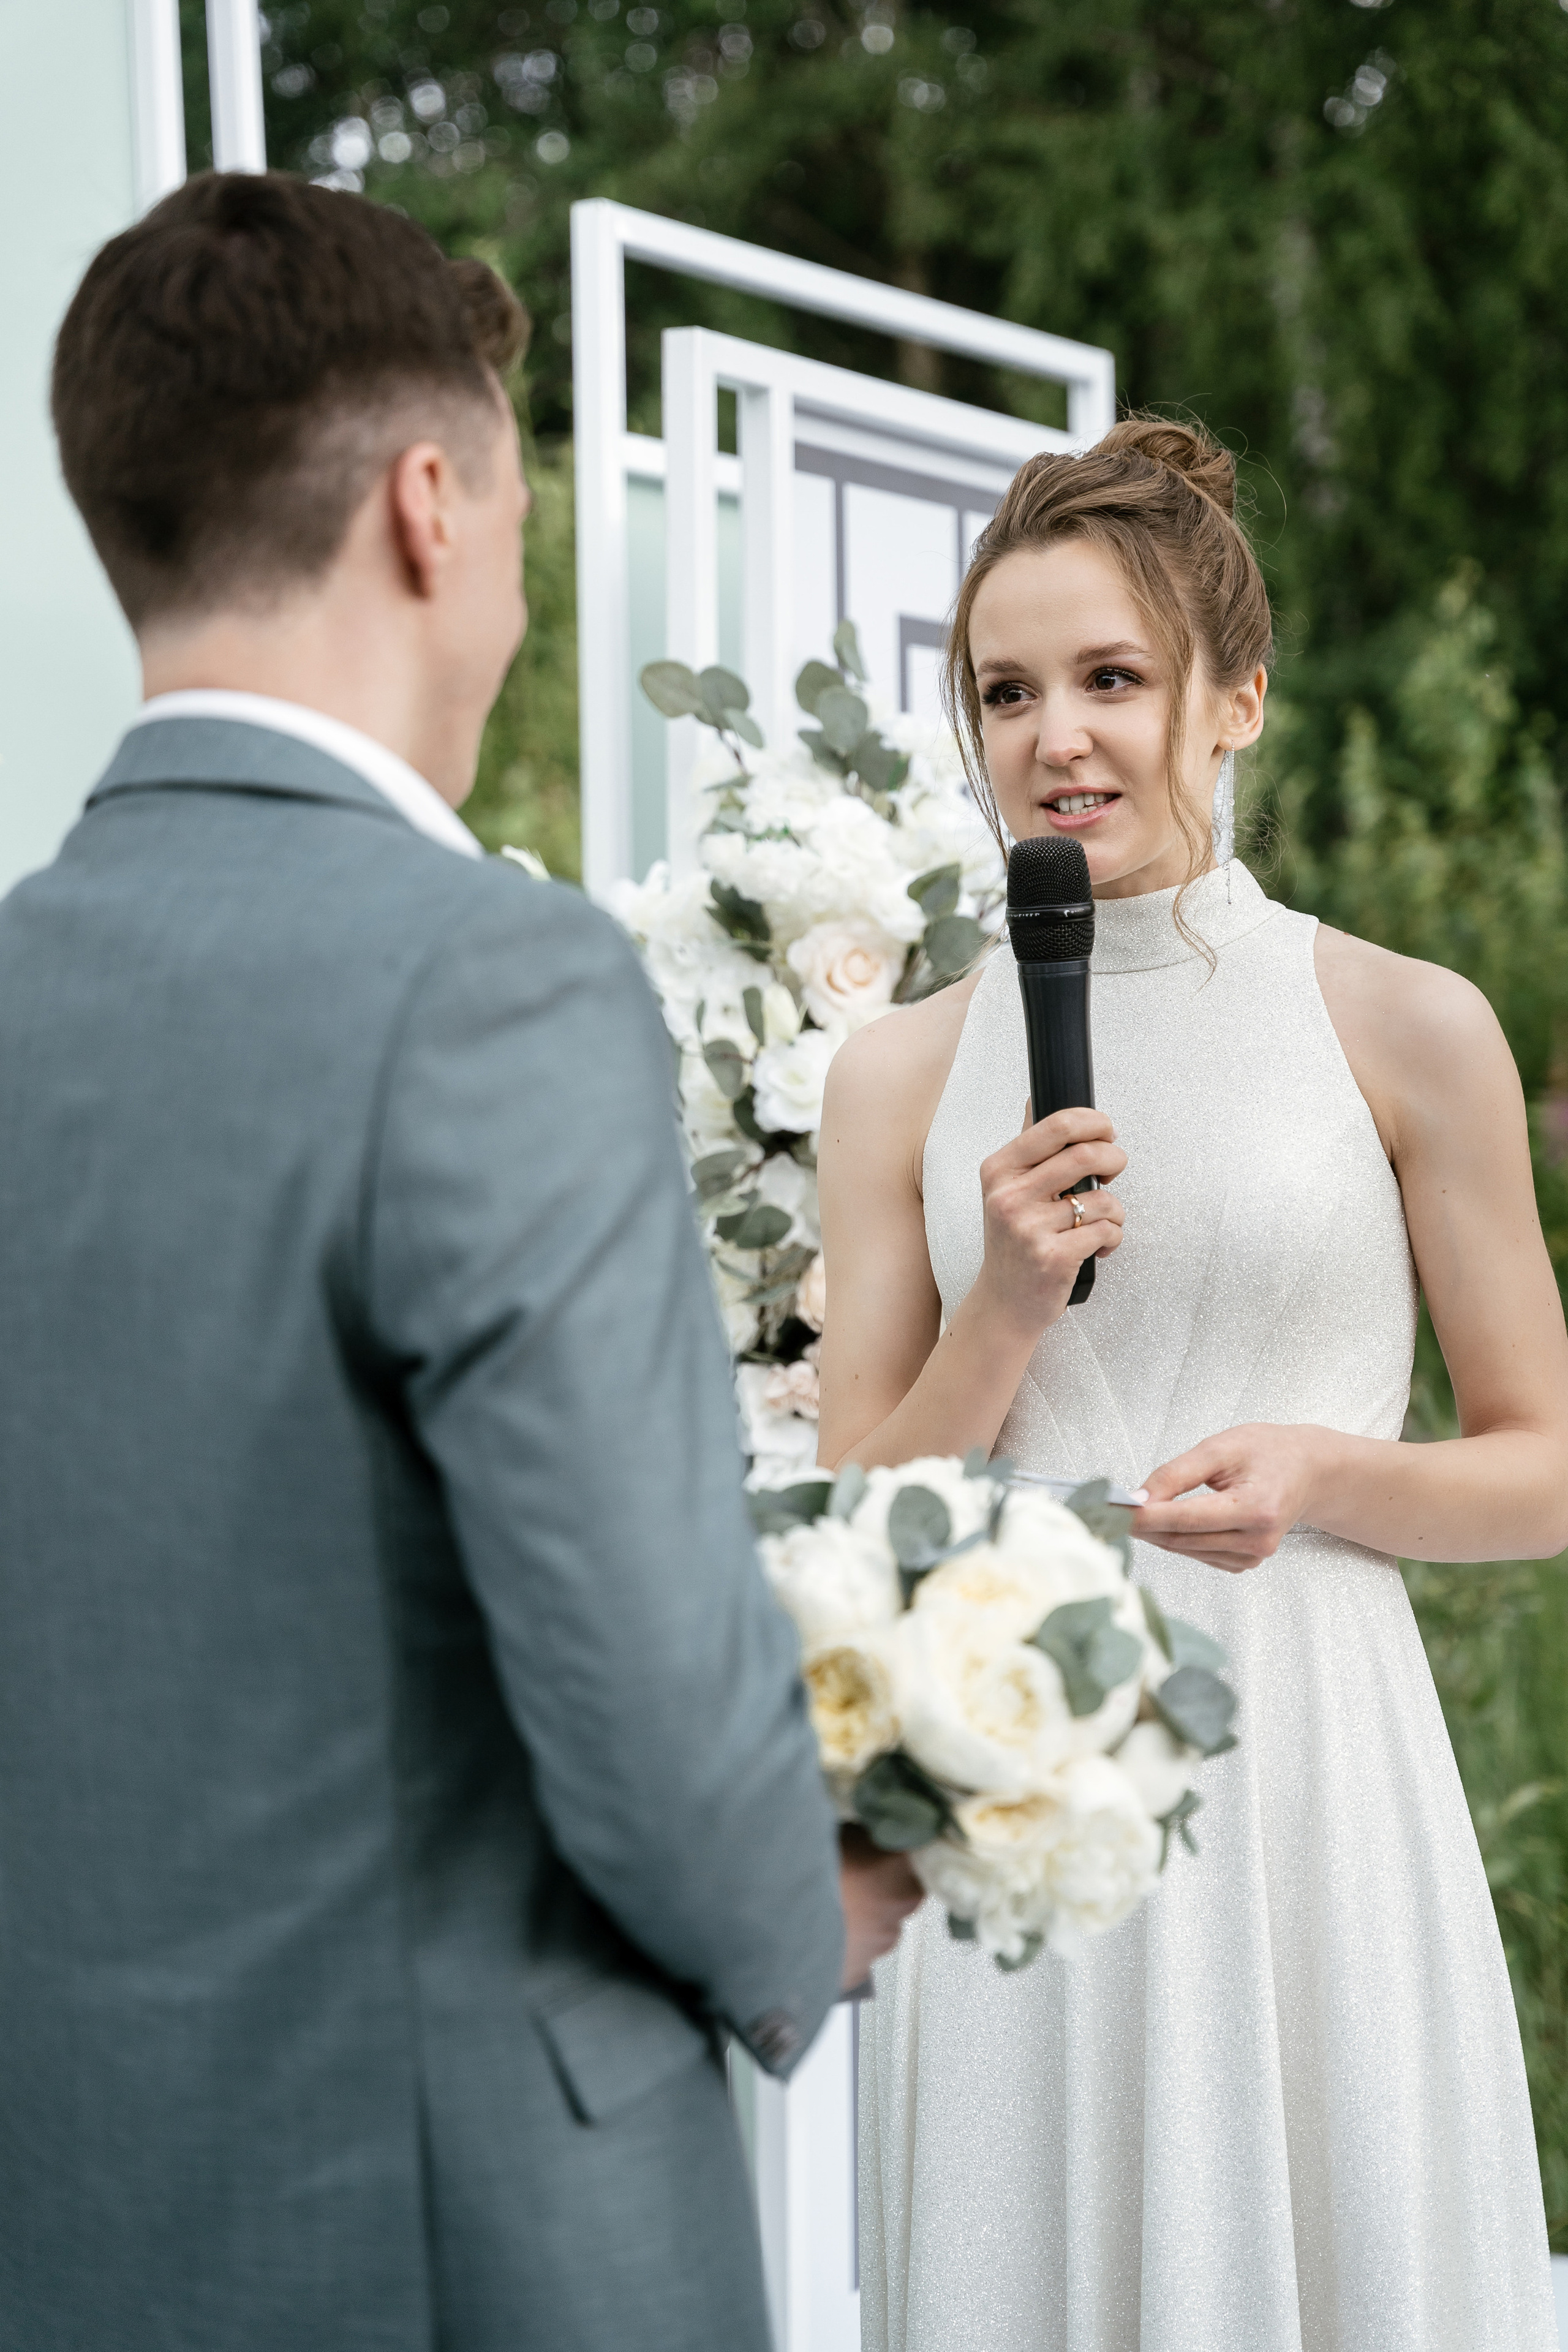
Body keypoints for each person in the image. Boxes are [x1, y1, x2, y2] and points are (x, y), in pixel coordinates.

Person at [0, 173, 919, 2352]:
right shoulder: (488, 980)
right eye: (519, 520)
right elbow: (624, 1667)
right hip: (459, 2225)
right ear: (433, 504)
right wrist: (814, 1899)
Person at [818, 418, 1563, 2352]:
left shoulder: (1406, 1024)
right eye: (1006, 690)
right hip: (1017, 1779)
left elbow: (1548, 1466)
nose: (1054, 736)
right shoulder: (898, 1074)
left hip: (1310, 1765)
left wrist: (1323, 1474)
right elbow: (846, 1533)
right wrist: (1004, 1310)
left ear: (1235, 699)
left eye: (1112, 679)